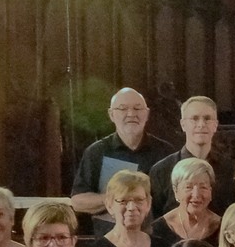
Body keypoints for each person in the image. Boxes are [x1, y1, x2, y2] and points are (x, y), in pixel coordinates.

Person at [70, 87, 172, 226]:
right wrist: (117, 198)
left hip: (154, 238)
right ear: (111, 114)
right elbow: (78, 202)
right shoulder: (97, 152)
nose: (131, 114)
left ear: (147, 114)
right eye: (123, 109)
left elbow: (174, 200)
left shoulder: (165, 151)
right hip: (109, 238)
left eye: (137, 108)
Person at [149, 95, 235, 214]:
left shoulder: (231, 170)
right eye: (194, 118)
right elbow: (155, 219)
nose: (201, 124)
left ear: (215, 125)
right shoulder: (161, 171)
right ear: (183, 125)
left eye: (207, 118)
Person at [149, 156, 222, 247]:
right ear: (176, 191)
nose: (196, 195)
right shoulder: (156, 230)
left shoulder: (223, 228)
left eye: (203, 187)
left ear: (210, 191)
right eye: (188, 187)